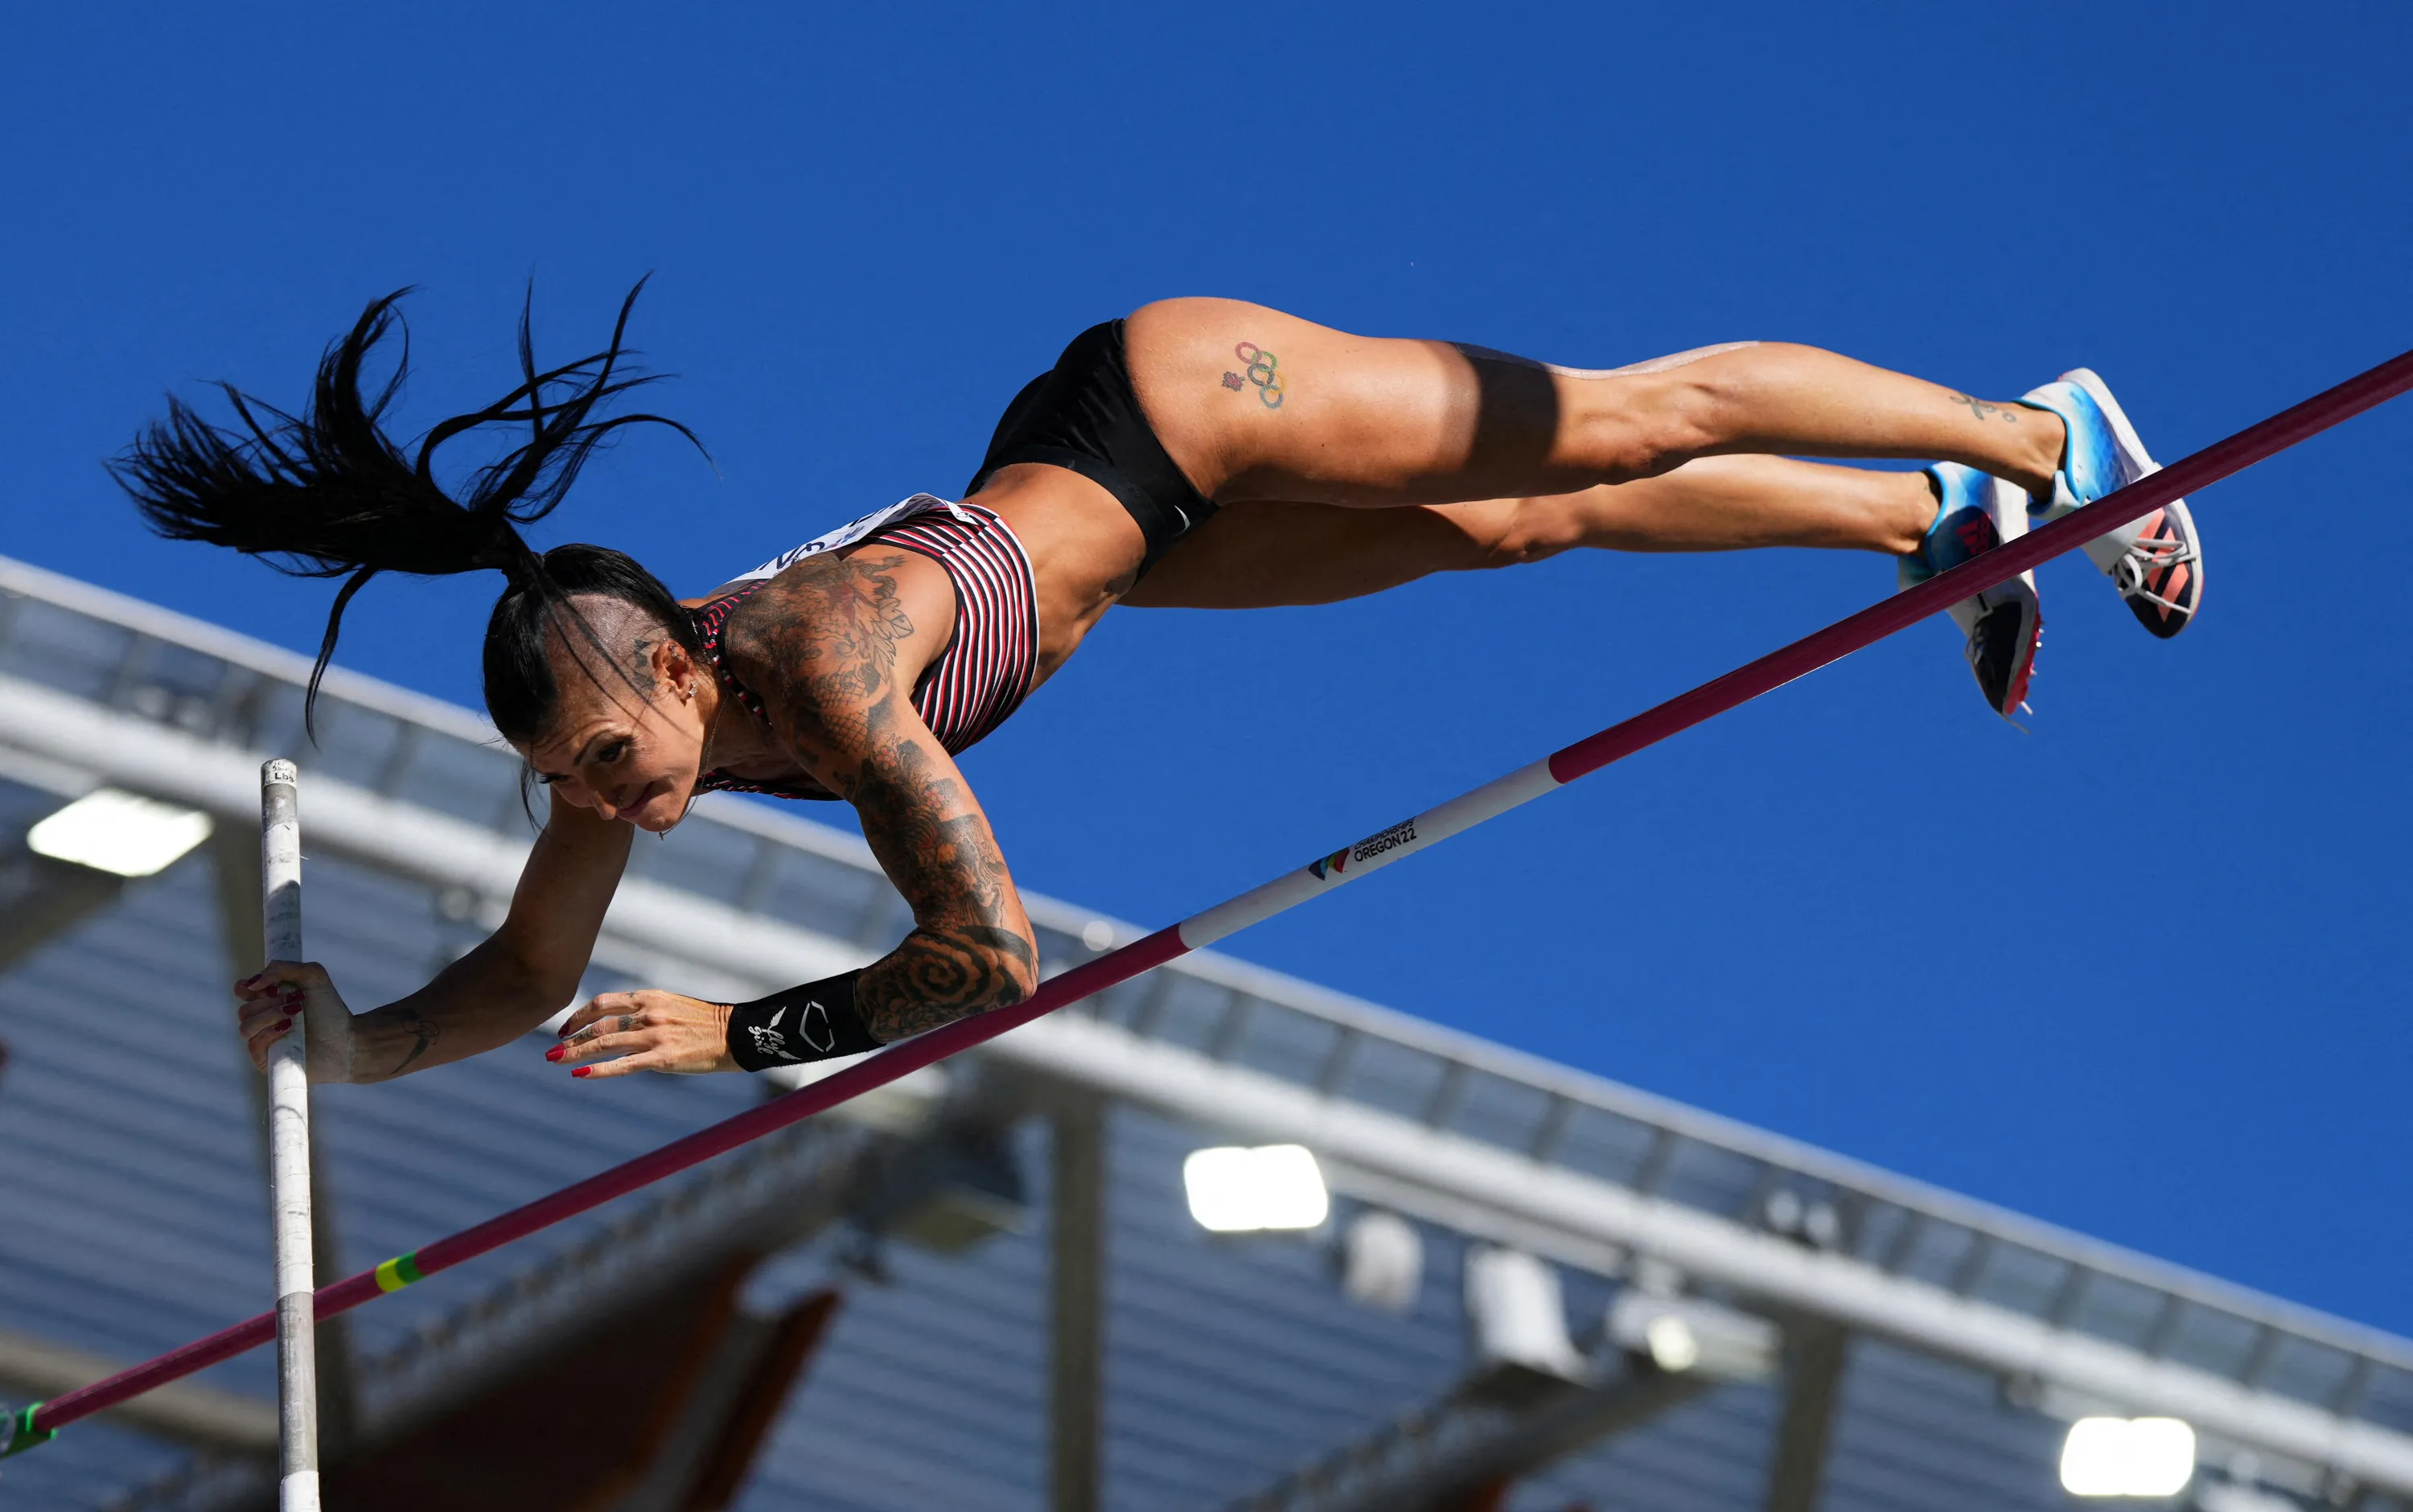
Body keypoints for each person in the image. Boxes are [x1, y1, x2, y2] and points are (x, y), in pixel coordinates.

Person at [116, 286, 2201, 1084]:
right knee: (1518, 532)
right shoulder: (632, 746)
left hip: (1179, 402)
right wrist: (363, 1043)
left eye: (608, 760)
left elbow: (990, 955)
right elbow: (522, 964)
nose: (609, 806)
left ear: (674, 662)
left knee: (1615, 420)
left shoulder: (828, 673)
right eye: (579, 788)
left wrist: (751, 1033)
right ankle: (1923, 526)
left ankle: (2043, 436)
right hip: (1117, 523)